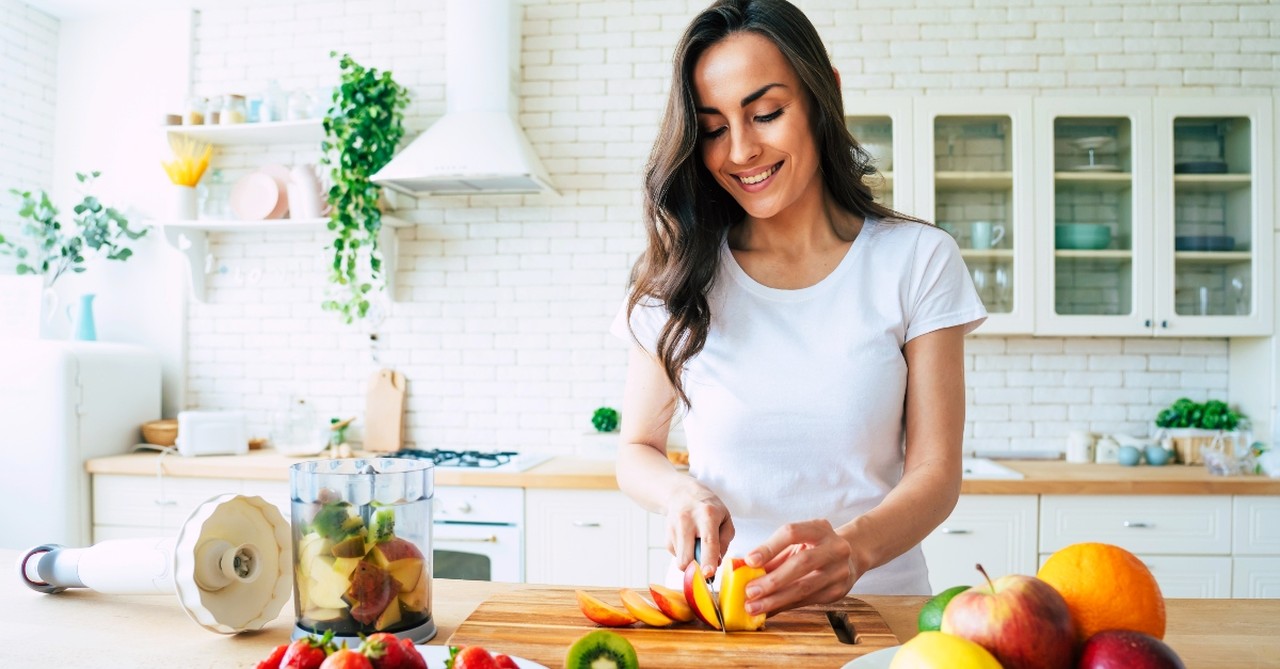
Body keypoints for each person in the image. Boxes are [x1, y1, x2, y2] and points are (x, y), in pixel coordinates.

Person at [610, 0, 987, 615]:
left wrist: (854, 550)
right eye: (712, 129)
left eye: (765, 113)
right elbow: (636, 450)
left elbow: (936, 472)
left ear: (823, 95)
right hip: (723, 613)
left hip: (878, 614)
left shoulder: (916, 260)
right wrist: (681, 495)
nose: (740, 151)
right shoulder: (676, 275)